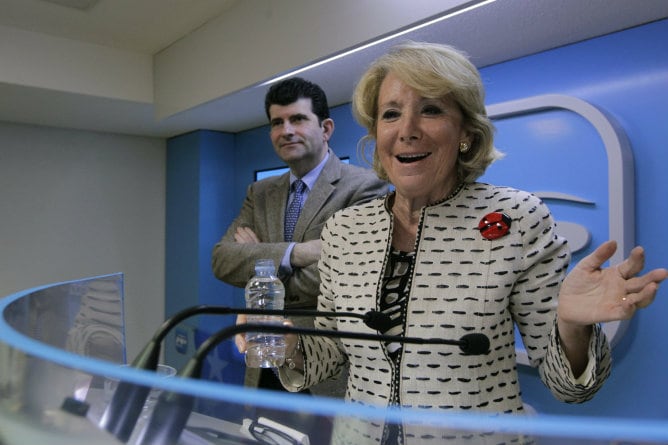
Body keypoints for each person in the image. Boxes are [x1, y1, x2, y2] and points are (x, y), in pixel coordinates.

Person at [272, 42, 668, 443]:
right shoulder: (345, 229)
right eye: (391, 114)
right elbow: (328, 354)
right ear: (377, 135)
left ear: (465, 132)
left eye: (431, 109)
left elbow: (568, 384)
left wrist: (573, 326)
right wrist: (287, 342)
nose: (407, 129)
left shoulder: (519, 217)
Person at [212, 77, 389, 397]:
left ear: (326, 128)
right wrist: (298, 253)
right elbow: (222, 260)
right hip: (263, 362)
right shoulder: (261, 192)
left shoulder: (366, 187)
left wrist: (261, 270)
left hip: (329, 369)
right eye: (277, 122)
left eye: (298, 119)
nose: (286, 130)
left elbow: (351, 274)